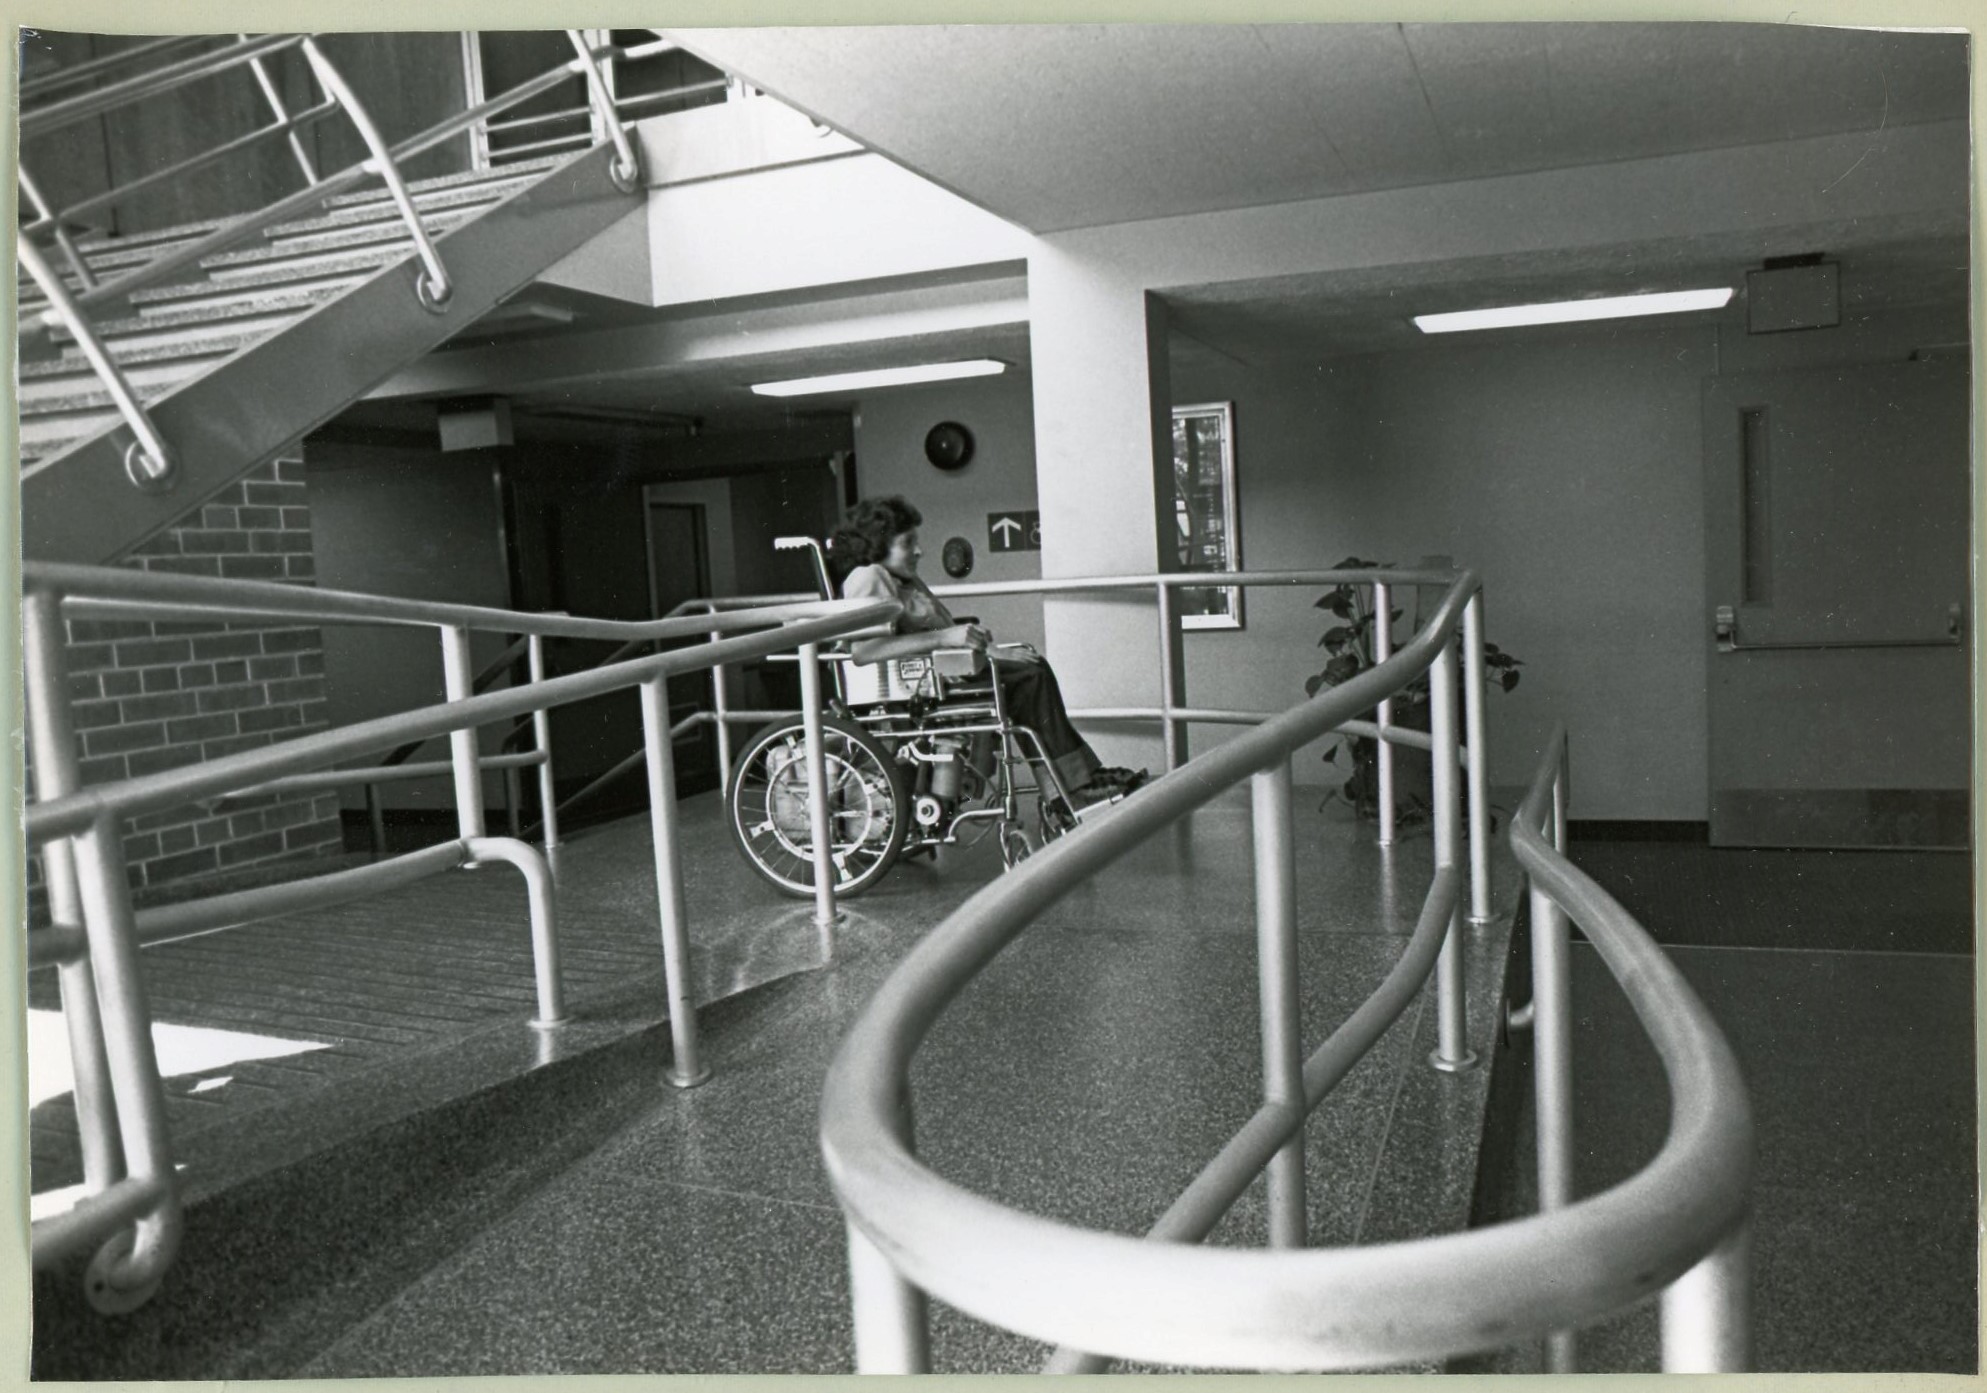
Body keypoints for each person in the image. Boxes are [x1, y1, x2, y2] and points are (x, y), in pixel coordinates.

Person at [829, 496, 1146, 808]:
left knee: (1033, 666)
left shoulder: (902, 578)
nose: (919, 550)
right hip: (918, 688)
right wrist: (944, 640)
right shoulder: (868, 577)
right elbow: (865, 651)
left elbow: (947, 628)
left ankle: (1082, 776)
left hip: (937, 675)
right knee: (1030, 679)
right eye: (907, 542)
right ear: (877, 544)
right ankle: (1070, 790)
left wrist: (991, 651)